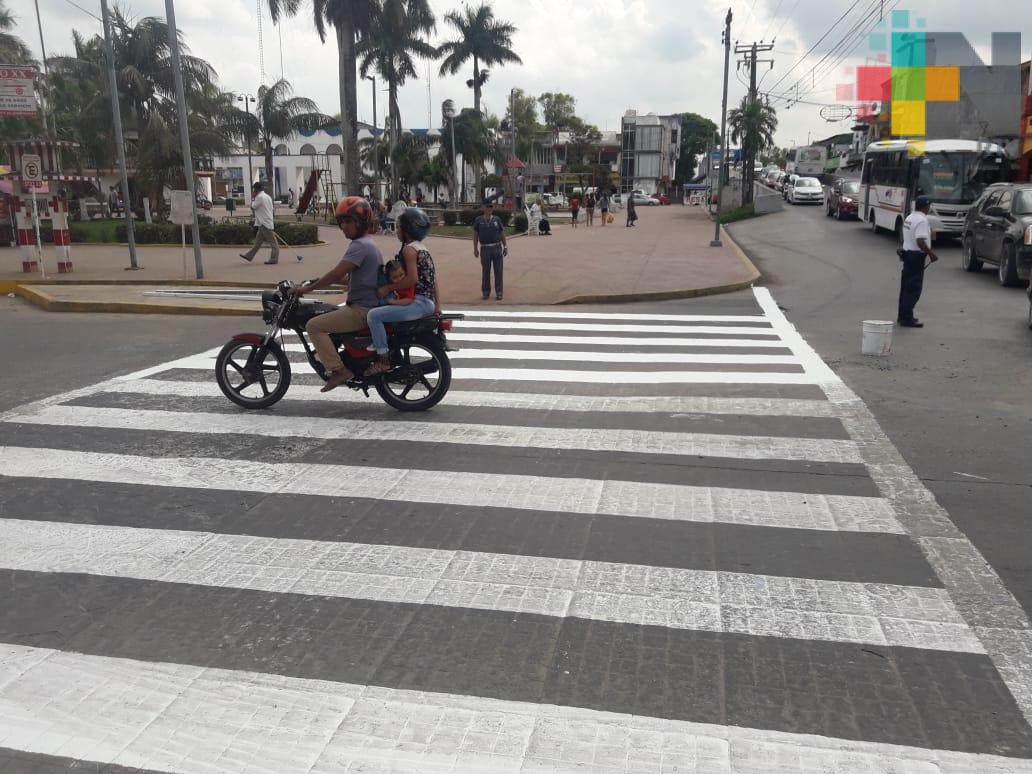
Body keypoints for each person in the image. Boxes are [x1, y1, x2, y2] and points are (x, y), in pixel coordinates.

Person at [289, 197, 382, 391]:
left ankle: (339, 370)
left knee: (314, 326)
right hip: (367, 306)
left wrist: (307, 289)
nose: (343, 227)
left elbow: (337, 273)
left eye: (348, 221)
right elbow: (350, 278)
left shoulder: (360, 246)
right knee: (326, 315)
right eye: (341, 222)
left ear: (360, 222)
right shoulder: (367, 243)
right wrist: (316, 281)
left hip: (361, 310)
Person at [365, 208, 441, 375]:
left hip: (417, 303)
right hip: (427, 302)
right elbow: (433, 279)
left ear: (407, 230)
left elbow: (413, 279)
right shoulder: (422, 248)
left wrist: (387, 288)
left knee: (373, 315)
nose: (397, 231)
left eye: (399, 227)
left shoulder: (409, 250)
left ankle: (383, 360)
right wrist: (438, 305)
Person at [897, 195, 939, 328]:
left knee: (905, 287)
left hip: (907, 254)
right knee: (913, 289)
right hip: (916, 257)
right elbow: (920, 241)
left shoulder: (910, 217)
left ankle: (902, 315)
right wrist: (931, 254)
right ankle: (907, 319)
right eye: (928, 206)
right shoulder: (922, 220)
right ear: (926, 207)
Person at [473, 199, 508, 300]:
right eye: (487, 207)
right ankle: (485, 292)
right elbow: (475, 235)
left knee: (498, 271)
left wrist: (505, 246)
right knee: (485, 272)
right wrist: (475, 248)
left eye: (491, 207)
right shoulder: (478, 220)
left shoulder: (497, 219)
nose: (489, 209)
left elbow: (502, 233)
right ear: (484, 208)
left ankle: (499, 292)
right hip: (485, 249)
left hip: (497, 247)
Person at [240, 182, 279, 264]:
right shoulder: (267, 196)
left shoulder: (259, 197)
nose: (253, 191)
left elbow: (253, 207)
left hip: (264, 223)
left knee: (273, 242)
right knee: (258, 242)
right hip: (264, 222)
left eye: (254, 190)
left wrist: (253, 198)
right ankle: (249, 256)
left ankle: (274, 259)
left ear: (256, 190)